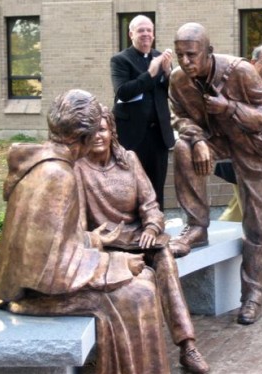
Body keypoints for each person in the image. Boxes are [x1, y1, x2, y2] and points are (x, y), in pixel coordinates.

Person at [0, 89, 170, 374]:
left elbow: (47, 244)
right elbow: (48, 272)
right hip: (29, 293)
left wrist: (94, 239)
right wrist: (117, 263)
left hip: (34, 282)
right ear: (83, 138)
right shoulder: (58, 176)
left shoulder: (49, 163)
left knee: (145, 278)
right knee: (139, 294)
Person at [74, 107, 209, 373]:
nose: (97, 136)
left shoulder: (130, 160)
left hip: (141, 238)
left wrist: (151, 226)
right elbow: (78, 224)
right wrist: (94, 239)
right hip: (109, 246)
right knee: (139, 284)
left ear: (112, 131)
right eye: (91, 132)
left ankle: (187, 346)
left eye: (102, 129)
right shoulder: (78, 168)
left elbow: (150, 204)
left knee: (165, 260)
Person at [168, 22, 262, 325]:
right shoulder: (178, 80)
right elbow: (178, 117)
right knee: (183, 148)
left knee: (256, 226)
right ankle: (196, 226)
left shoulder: (240, 71)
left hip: (252, 144)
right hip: (215, 140)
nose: (186, 61)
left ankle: (252, 296)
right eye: (180, 55)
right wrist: (196, 140)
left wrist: (229, 108)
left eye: (192, 55)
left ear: (209, 51)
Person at [215, 43, 262, 280]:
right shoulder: (240, 86)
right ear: (253, 62)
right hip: (239, 160)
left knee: (238, 211)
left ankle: (211, 236)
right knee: (253, 212)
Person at [110, 14, 175, 210]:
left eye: (149, 30)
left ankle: (156, 226)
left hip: (158, 135)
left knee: (157, 186)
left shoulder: (160, 58)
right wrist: (151, 73)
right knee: (132, 185)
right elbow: (123, 92)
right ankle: (133, 231)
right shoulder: (120, 60)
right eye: (141, 30)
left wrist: (168, 74)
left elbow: (172, 93)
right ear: (131, 34)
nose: (146, 34)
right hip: (132, 136)